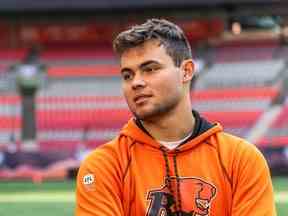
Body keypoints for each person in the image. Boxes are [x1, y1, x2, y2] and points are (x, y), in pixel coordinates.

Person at [75, 18, 276, 216]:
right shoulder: (104, 166)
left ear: (186, 71)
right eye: (127, 75)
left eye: (150, 69)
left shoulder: (240, 160)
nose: (136, 82)